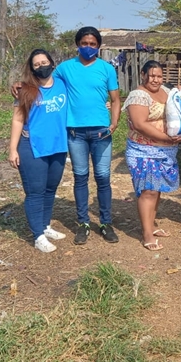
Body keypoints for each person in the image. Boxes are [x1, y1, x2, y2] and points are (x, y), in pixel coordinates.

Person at [55, 26, 121, 245]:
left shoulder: (107, 69)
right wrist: (20, 86)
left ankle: (105, 223)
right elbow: (46, 85)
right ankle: (83, 223)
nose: (88, 47)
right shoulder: (65, 69)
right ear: (77, 44)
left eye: (93, 44)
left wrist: (113, 124)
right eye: (84, 43)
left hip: (102, 133)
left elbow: (116, 99)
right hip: (76, 134)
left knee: (103, 178)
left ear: (99, 46)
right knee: (80, 177)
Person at [8, 49, 68, 253]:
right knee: (35, 191)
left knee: (51, 189)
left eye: (45, 62)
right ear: (31, 68)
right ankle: (38, 236)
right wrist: (12, 149)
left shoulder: (62, 84)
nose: (42, 66)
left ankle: (45, 225)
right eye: (37, 64)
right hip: (32, 146)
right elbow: (17, 119)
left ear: (52, 63)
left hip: (58, 146)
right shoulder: (26, 89)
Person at [123, 60, 180, 251]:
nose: (156, 80)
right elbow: (140, 124)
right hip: (142, 151)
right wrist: (167, 137)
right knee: (148, 190)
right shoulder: (138, 95)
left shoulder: (166, 91)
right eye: (152, 75)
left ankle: (152, 225)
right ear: (143, 74)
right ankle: (146, 233)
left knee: (157, 189)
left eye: (159, 76)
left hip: (166, 151)